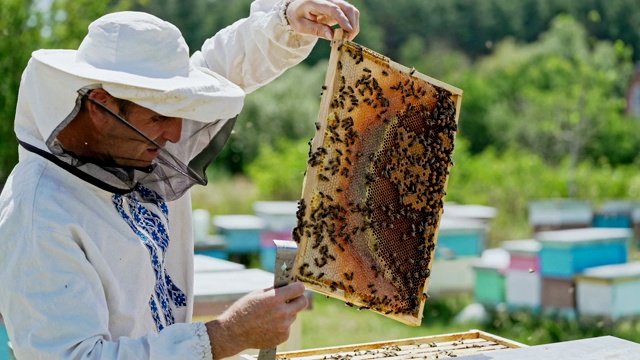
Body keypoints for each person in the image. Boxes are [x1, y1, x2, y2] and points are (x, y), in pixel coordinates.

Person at [0, 0, 359, 359]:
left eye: (182, 113)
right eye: (160, 118)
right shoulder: (37, 215)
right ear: (99, 105)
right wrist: (224, 336)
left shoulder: (132, 140)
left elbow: (225, 67)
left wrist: (285, 23)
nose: (175, 134)